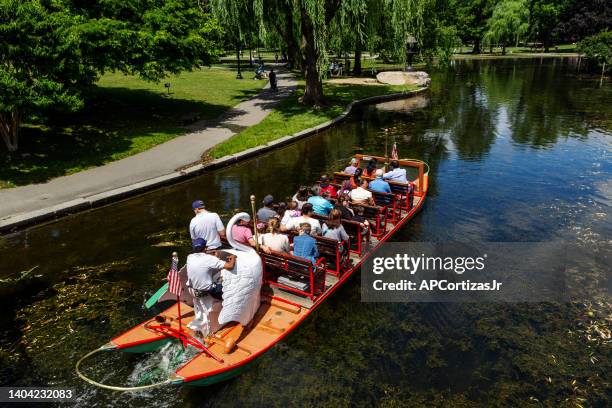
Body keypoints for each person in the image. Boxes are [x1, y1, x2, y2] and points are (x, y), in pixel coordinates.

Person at [186, 238, 236, 337]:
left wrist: (210, 254)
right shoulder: (209, 259)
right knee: (231, 289)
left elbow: (201, 259)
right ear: (206, 247)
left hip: (192, 290)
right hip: (207, 292)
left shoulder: (190, 257)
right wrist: (233, 258)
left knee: (201, 306)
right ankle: (231, 313)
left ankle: (200, 320)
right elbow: (230, 266)